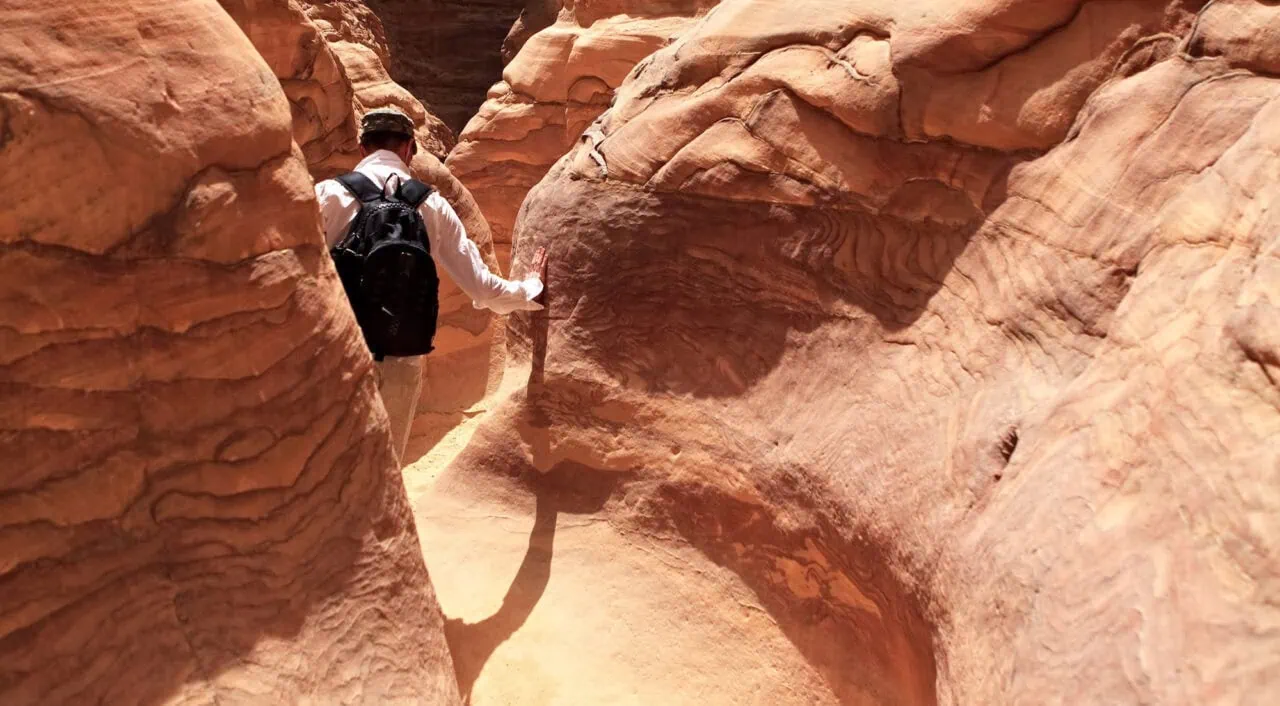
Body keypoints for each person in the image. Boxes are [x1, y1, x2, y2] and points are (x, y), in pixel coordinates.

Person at [315, 106, 546, 464]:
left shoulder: (328, 194)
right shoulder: (432, 205)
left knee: (327, 468)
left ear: (362, 148)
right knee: (385, 471)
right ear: (409, 149)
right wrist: (530, 288)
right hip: (401, 355)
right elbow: (483, 289)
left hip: (337, 351)